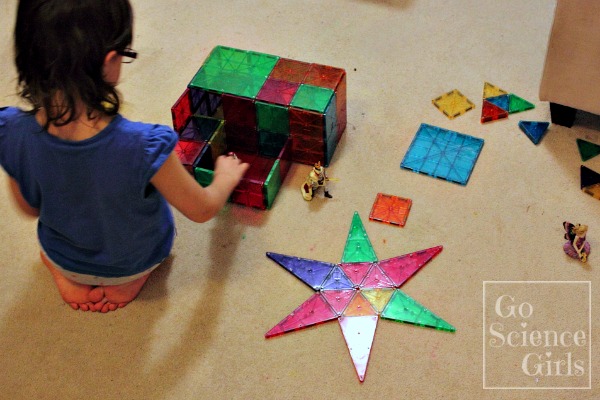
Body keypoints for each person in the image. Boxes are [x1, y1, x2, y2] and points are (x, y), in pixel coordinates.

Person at [0, 0, 249, 313]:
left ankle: (68, 274)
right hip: (134, 261)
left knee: (53, 251)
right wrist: (224, 179)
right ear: (110, 61)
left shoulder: (9, 130)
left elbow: (28, 208)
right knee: (147, 248)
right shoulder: (144, 146)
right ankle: (128, 279)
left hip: (64, 256)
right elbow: (201, 210)